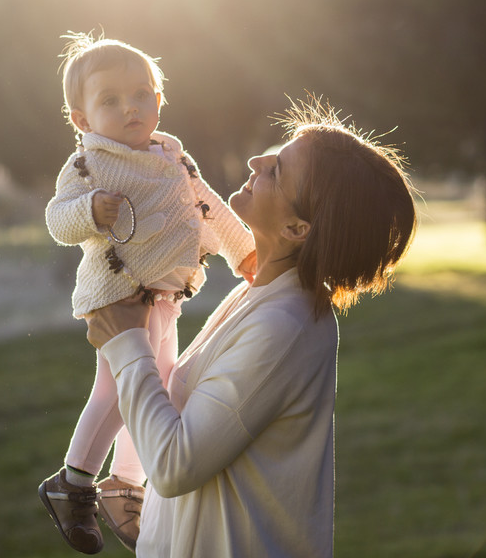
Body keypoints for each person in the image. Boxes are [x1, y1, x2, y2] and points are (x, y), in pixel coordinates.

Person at [83, 97, 418, 557]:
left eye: (277, 171)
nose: (256, 161)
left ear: (298, 228)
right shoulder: (261, 292)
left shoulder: (284, 328)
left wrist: (125, 342)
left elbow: (176, 465)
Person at [39, 32, 256, 555]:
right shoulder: (91, 164)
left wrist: (244, 252)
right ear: (82, 120)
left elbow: (207, 206)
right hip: (117, 294)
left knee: (159, 387)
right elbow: (57, 218)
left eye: (141, 94)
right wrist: (90, 209)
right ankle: (73, 482)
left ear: (160, 99)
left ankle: (126, 483)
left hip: (162, 296)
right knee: (118, 392)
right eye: (110, 100)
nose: (130, 108)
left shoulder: (172, 157)